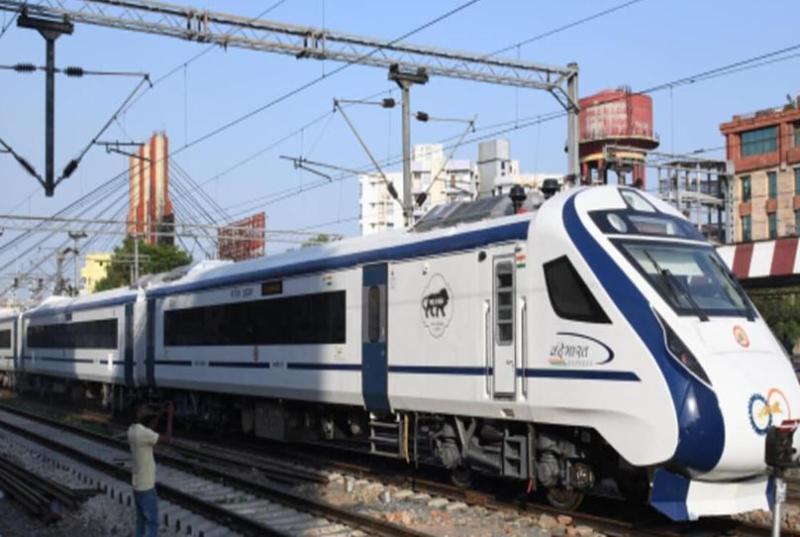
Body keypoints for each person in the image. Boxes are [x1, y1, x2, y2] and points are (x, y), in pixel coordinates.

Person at [128, 401, 173, 537]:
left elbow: (149, 430)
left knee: (141, 521)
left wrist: (159, 414)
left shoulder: (132, 430)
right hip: (147, 487)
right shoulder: (144, 434)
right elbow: (167, 439)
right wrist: (170, 416)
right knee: (152, 523)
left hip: (137, 486)